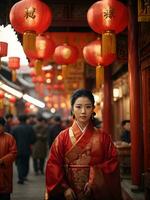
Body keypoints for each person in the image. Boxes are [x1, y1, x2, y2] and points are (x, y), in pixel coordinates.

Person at [45, 89, 122, 200]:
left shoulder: (103, 137)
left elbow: (112, 163)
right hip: (68, 192)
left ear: (93, 109)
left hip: (95, 192)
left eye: (88, 107)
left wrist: (94, 182)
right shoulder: (62, 137)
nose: (83, 111)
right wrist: (64, 188)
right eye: (79, 107)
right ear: (72, 109)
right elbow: (53, 165)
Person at [12, 114, 36, 184]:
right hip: (27, 148)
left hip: (18, 149)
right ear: (26, 120)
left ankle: (21, 177)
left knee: (19, 163)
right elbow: (33, 139)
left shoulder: (15, 128)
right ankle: (24, 176)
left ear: (19, 120)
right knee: (26, 162)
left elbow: (12, 139)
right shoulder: (30, 128)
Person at [0, 117, 17, 200]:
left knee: (4, 194)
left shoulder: (9, 138)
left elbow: (13, 153)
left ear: (3, 126)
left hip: (4, 171)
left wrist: (2, 160)